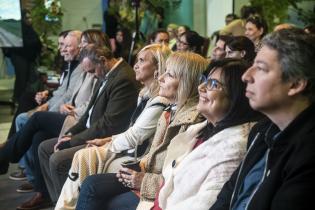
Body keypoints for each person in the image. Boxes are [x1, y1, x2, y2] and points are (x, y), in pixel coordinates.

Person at [0, 44, 139, 209]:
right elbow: (88, 113)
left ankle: (67, 203)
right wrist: (71, 133)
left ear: (102, 61)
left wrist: (73, 140)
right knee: (42, 144)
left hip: (103, 138)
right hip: (88, 128)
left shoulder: (123, 78)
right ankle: (55, 200)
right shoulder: (107, 73)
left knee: (56, 157)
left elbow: (108, 125)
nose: (92, 75)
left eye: (93, 70)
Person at [74, 51, 209, 210]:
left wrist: (143, 179)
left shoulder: (193, 120)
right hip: (149, 176)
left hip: (159, 188)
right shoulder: (169, 110)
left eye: (169, 74)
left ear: (187, 81)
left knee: (99, 194)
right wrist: (140, 166)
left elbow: (181, 179)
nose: (160, 78)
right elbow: (153, 154)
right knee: (90, 183)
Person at [55, 43, 171, 210]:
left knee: (80, 157)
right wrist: (105, 140)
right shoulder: (145, 94)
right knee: (81, 155)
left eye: (141, 61)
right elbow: (129, 129)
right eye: (136, 60)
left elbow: (133, 136)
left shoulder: (160, 100)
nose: (135, 65)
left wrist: (108, 143)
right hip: (129, 148)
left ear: (158, 67)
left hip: (139, 157)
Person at [209, 29, 315, 210]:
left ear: (296, 84)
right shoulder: (261, 131)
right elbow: (227, 195)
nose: (246, 76)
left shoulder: (309, 153)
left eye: (261, 68)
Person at [156, 58, 261, 210]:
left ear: (236, 97)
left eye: (213, 84)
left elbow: (204, 204)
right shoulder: (202, 129)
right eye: (204, 80)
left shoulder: (234, 147)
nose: (201, 87)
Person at [3, 9, 42, 102]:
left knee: (27, 79)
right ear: (22, 19)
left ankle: (24, 99)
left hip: (27, 57)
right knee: (21, 79)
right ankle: (17, 99)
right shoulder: (18, 30)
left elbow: (35, 42)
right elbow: (21, 44)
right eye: (27, 18)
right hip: (19, 57)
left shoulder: (29, 29)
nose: (30, 20)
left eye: (30, 17)